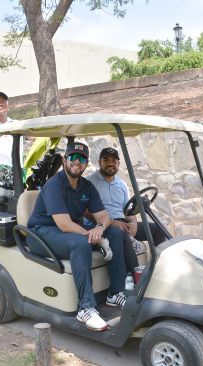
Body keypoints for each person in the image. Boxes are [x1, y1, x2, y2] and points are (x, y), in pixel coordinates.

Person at [26, 141, 127, 331]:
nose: (77, 162)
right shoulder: (54, 185)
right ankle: (86, 308)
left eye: (82, 159)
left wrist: (100, 228)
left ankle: (115, 293)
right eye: (72, 157)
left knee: (113, 231)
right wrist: (96, 236)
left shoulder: (86, 186)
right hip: (41, 233)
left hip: (69, 231)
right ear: (65, 160)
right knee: (80, 243)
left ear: (86, 163)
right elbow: (64, 224)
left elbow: (104, 216)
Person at [86, 147, 167, 276]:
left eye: (114, 160)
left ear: (118, 163)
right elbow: (85, 211)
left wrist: (134, 223)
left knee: (157, 229)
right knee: (121, 233)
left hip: (122, 222)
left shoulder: (122, 184)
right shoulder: (90, 182)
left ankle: (159, 271)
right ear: (99, 162)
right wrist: (111, 223)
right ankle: (137, 280)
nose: (110, 163)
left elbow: (127, 211)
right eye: (106, 160)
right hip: (102, 226)